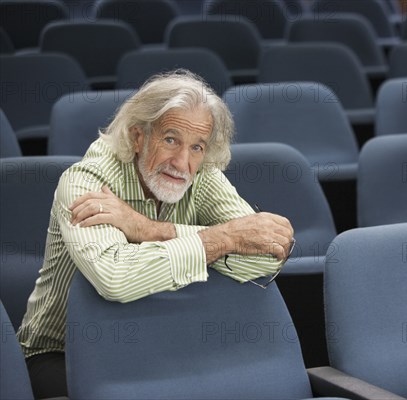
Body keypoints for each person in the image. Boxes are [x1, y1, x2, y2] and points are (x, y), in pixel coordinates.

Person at [17, 70, 294, 399]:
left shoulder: (202, 175)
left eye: (196, 147)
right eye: (171, 140)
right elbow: (116, 276)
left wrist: (149, 229)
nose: (182, 162)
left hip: (158, 345)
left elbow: (265, 258)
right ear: (138, 137)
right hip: (61, 353)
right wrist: (223, 239)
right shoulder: (84, 182)